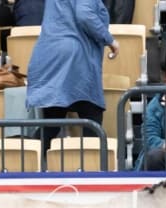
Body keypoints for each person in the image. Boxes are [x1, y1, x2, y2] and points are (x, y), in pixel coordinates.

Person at [25, 0, 119, 157]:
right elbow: (85, 15)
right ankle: (94, 173)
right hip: (75, 58)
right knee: (92, 120)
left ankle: (27, 167)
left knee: (51, 124)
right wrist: (110, 40)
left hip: (50, 55)